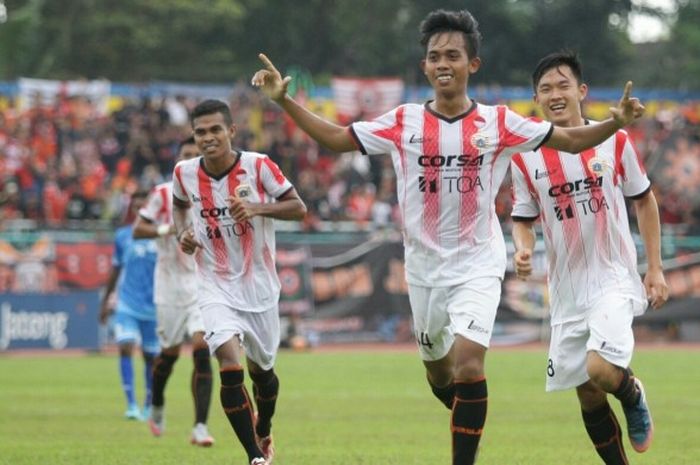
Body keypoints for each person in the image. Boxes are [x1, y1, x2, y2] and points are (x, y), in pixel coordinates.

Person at [251, 9, 645, 465]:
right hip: (423, 271)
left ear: (471, 64)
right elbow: (338, 139)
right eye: (434, 56)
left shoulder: (499, 124)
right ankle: (461, 409)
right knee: (441, 377)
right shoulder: (403, 122)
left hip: (478, 264)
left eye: (453, 55)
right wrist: (284, 101)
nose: (443, 63)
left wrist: (614, 123)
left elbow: (572, 142)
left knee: (470, 364)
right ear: (424, 66)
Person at [510, 51, 668, 464]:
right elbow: (523, 218)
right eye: (546, 88)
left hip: (612, 276)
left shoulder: (615, 139)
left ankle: (632, 392)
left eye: (563, 85)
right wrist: (523, 248)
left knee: (600, 370)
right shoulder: (526, 158)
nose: (555, 94)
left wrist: (654, 267)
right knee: (587, 389)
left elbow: (644, 200)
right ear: (536, 98)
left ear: (582, 92)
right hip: (565, 291)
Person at [171, 99, 307, 465]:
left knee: (262, 375)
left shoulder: (258, 166)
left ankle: (265, 427)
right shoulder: (184, 172)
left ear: (231, 131)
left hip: (259, 288)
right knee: (229, 367)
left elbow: (298, 207)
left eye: (216, 129)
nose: (208, 137)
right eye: (201, 132)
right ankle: (254, 458)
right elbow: (179, 205)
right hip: (214, 283)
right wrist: (182, 233)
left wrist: (259, 208)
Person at [132, 136, 215, 446]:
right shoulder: (163, 195)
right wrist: (168, 229)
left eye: (197, 155)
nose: (191, 160)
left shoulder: (213, 194)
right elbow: (138, 229)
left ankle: (200, 426)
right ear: (178, 160)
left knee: (202, 349)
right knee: (167, 356)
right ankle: (157, 404)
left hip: (202, 284)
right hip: (168, 286)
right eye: (186, 155)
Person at [99, 189, 159, 421]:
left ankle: (148, 405)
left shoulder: (160, 234)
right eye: (135, 207)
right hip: (127, 304)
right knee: (125, 347)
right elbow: (115, 271)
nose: (139, 211)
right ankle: (131, 405)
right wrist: (105, 302)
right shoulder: (123, 236)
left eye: (143, 207)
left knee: (150, 357)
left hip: (153, 307)